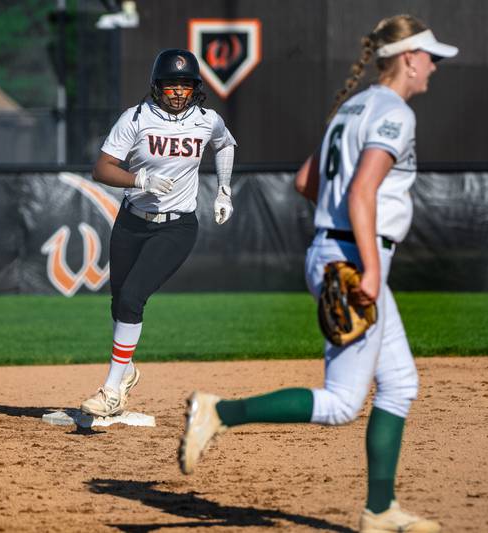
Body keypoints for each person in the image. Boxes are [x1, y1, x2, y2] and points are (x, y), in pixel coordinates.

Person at [178, 14, 457, 533]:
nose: (434, 68)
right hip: (354, 258)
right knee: (342, 402)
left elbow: (306, 181)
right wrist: (369, 266)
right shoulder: (394, 111)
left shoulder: (352, 107)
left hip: (337, 251)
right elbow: (361, 192)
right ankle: (217, 412)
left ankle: (380, 511)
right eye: (431, 57)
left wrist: (340, 240)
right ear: (409, 57)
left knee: (399, 385)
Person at [81, 49, 237, 417]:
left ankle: (111, 390)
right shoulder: (136, 118)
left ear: (195, 88)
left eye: (185, 84)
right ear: (157, 87)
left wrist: (224, 189)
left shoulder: (207, 120)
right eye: (171, 84)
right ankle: (127, 371)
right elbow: (102, 169)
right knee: (119, 304)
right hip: (132, 220)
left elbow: (225, 143)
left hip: (177, 225)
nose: (179, 91)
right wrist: (140, 178)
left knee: (133, 298)